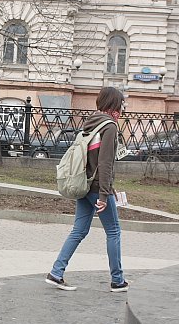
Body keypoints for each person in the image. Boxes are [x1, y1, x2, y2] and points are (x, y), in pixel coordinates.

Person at [45, 86, 129, 292]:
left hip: (83, 184)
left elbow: (92, 160)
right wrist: (104, 194)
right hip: (97, 189)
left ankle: (56, 273)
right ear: (114, 104)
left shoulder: (91, 123)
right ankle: (117, 280)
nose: (122, 108)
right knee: (113, 231)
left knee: (79, 231)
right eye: (121, 104)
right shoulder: (109, 126)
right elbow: (105, 163)